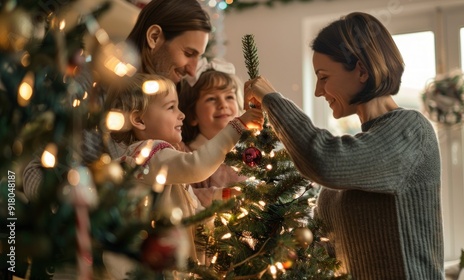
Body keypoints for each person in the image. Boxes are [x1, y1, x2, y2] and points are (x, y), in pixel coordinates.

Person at [243, 12, 443, 279]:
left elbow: (324, 160)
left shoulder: (412, 130)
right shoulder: (364, 145)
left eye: (323, 77)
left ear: (361, 70)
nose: (317, 90)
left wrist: (271, 99)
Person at [23, 0, 212, 201]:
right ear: (154, 37)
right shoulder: (91, 88)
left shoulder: (173, 93)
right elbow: (37, 169)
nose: (193, 70)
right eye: (188, 53)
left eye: (198, 57)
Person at [104, 73, 263, 277]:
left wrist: (221, 197)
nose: (182, 115)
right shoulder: (148, 154)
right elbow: (197, 166)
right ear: (138, 119)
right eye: (171, 107)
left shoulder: (159, 160)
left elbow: (192, 205)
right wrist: (237, 126)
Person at [178, 57, 246, 208]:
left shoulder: (251, 152)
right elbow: (183, 195)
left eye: (229, 97)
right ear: (193, 115)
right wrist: (220, 196)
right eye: (211, 99)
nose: (223, 104)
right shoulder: (186, 155)